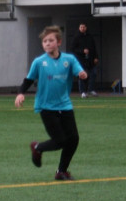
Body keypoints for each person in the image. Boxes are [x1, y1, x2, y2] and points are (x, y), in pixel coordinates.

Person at [14, 26, 87, 181]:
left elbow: (79, 71)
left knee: (73, 139)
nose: (47, 43)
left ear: (58, 42)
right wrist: (21, 93)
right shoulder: (39, 62)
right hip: (46, 107)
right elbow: (28, 80)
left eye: (50, 40)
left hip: (65, 105)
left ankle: (61, 171)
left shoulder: (69, 60)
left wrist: (82, 74)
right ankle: (37, 147)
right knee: (60, 140)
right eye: (44, 41)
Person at [70, 23, 99, 97]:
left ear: (86, 28)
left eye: (83, 27)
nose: (82, 28)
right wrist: (82, 51)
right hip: (81, 60)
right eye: (81, 27)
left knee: (93, 74)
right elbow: (73, 49)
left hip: (91, 59)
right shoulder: (76, 37)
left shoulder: (90, 37)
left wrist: (96, 57)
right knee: (82, 75)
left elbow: (94, 48)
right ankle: (83, 92)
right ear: (79, 28)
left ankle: (91, 90)